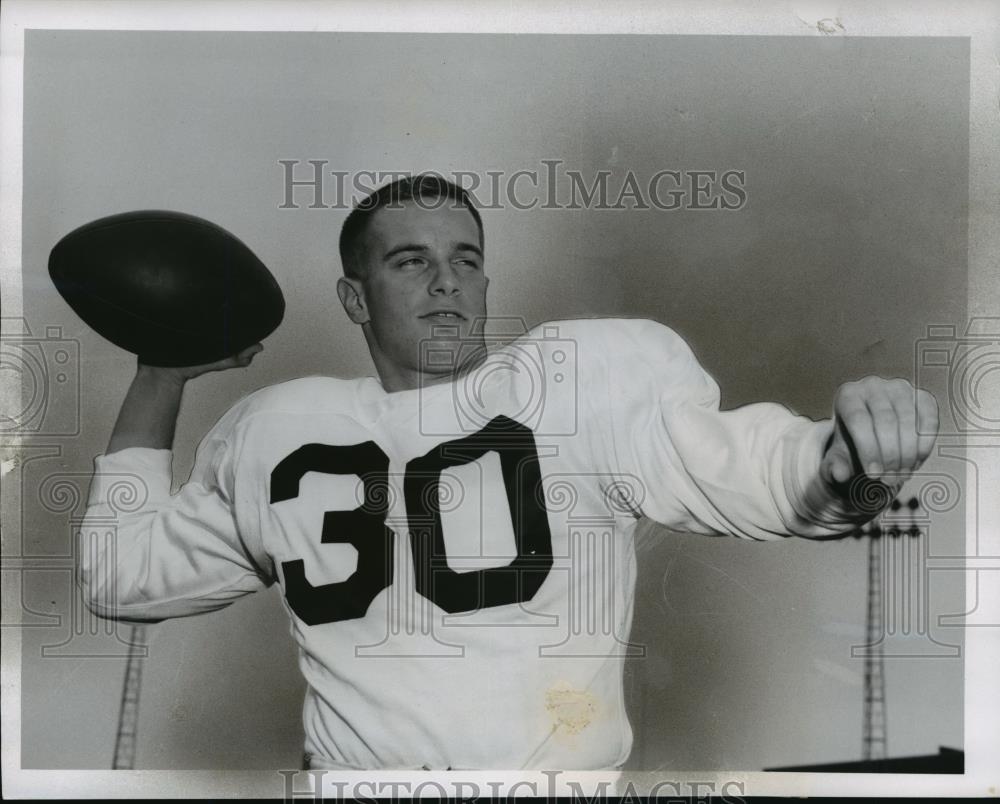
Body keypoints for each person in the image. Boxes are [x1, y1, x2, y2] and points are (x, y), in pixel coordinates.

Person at [79, 174, 938, 771]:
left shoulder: (572, 385)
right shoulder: (275, 431)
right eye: (410, 261)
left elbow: (773, 479)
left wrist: (853, 459)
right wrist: (161, 372)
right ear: (355, 298)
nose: (446, 282)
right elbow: (120, 576)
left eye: (467, 258)